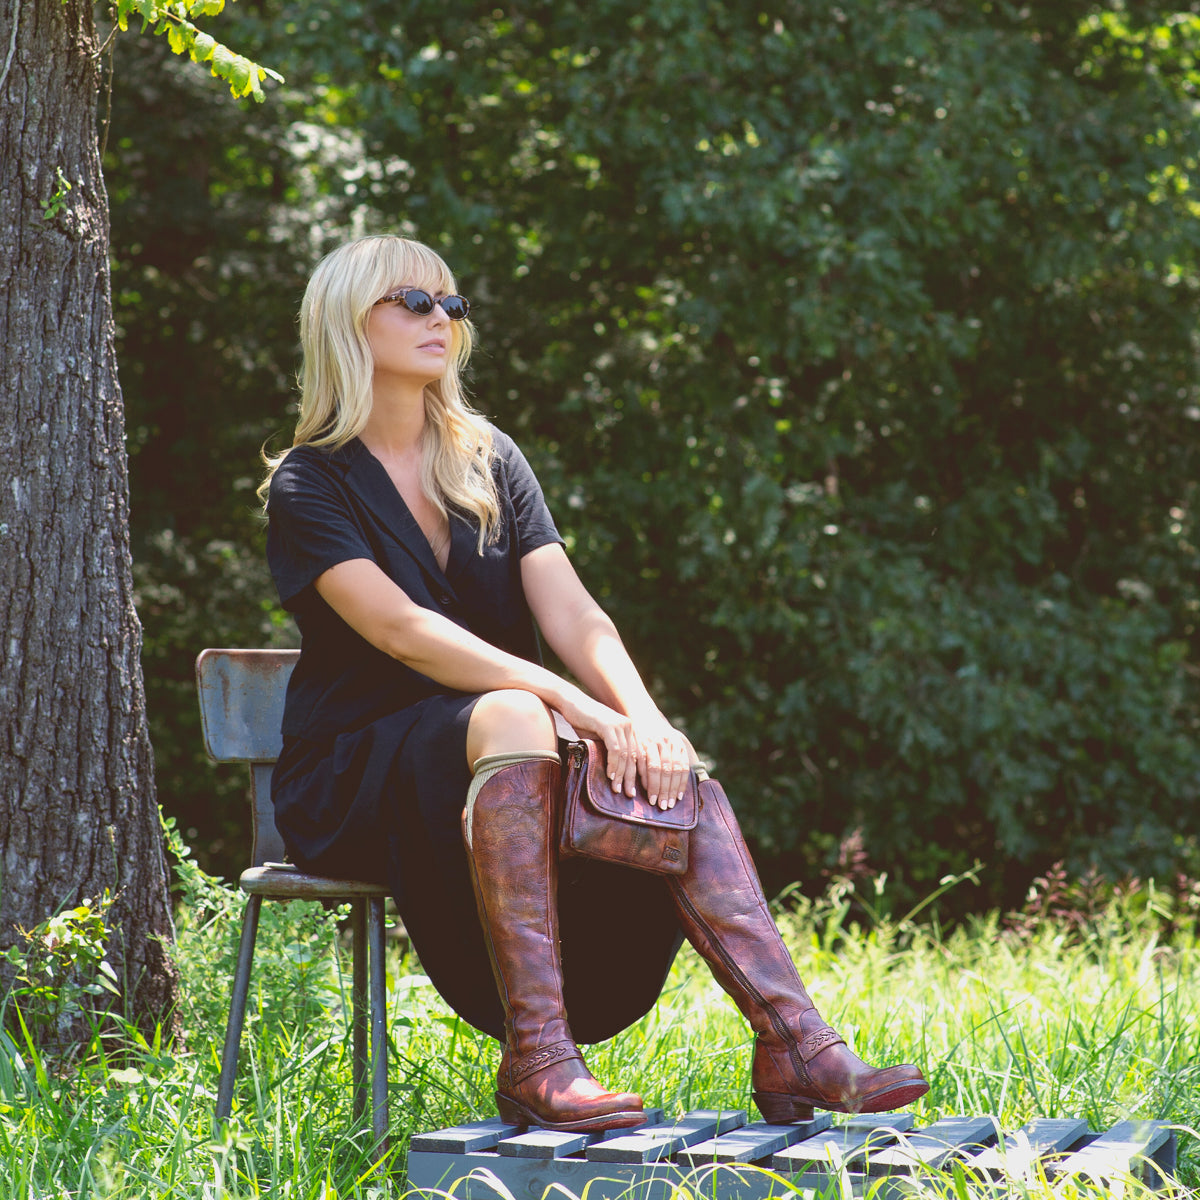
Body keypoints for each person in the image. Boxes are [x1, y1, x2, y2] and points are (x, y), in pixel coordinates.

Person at [260, 234, 929, 1134]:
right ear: (348, 317)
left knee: (666, 765)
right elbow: (401, 632)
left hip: (506, 749)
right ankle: (537, 1057)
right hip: (356, 775)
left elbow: (576, 614)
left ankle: (794, 1040)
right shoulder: (310, 480)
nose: (441, 320)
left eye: (451, 305)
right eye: (413, 302)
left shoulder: (488, 457)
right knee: (514, 710)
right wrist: (568, 702)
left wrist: (647, 722)